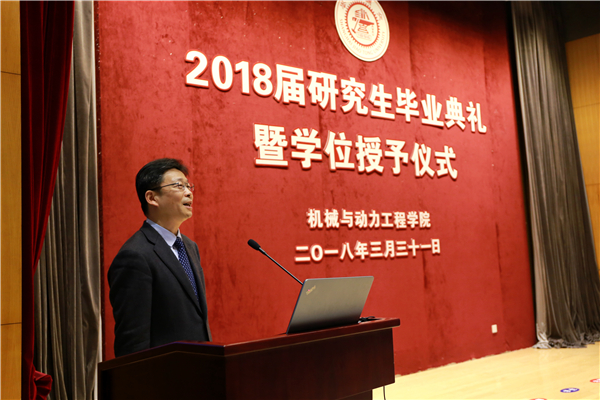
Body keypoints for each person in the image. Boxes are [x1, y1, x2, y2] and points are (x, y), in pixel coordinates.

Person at [108, 158, 211, 357]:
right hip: (164, 372)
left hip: (199, 365)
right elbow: (132, 342)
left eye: (189, 186)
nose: (189, 192)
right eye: (179, 186)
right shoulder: (135, 256)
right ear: (152, 197)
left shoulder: (190, 247)